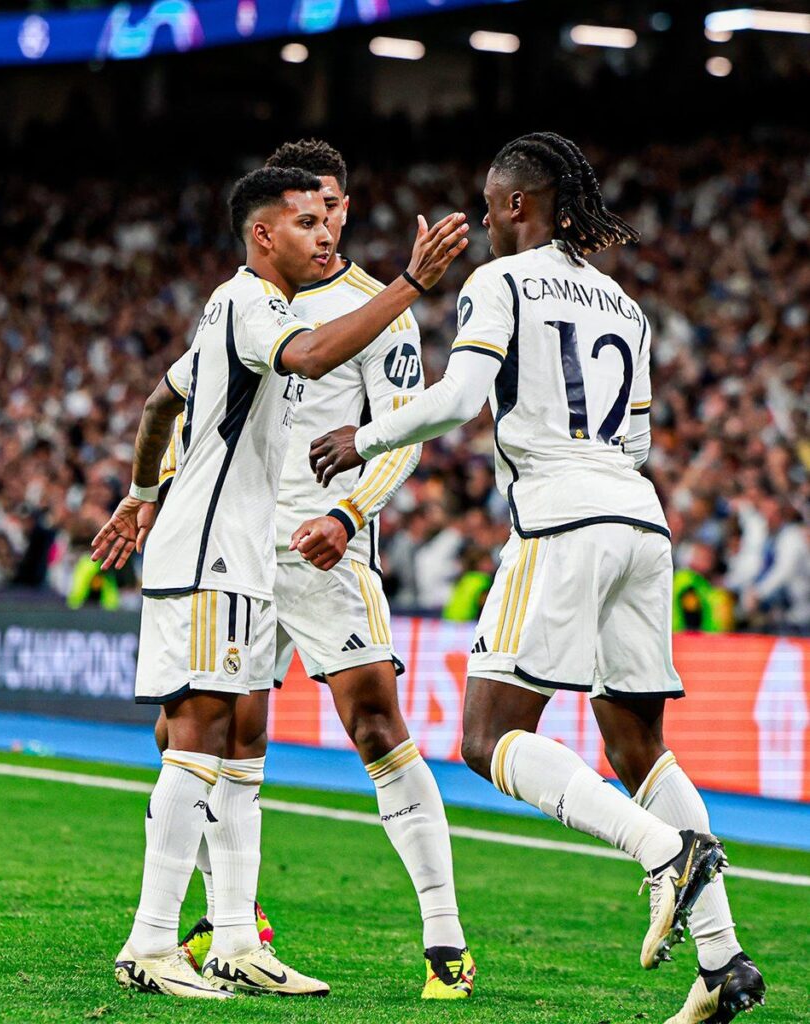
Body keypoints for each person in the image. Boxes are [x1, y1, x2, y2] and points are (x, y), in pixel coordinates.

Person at [306, 132, 765, 1024]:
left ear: (521, 204)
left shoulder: (500, 280)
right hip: (640, 519)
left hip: (561, 518)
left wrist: (363, 438)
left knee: (487, 737)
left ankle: (660, 852)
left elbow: (460, 398)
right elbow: (632, 441)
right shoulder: (623, 305)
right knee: (637, 745)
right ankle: (722, 961)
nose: (481, 219)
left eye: (488, 203)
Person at [91, 165, 468, 1000]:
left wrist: (144, 491)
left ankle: (240, 940)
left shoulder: (313, 305)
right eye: (308, 215)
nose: (326, 228)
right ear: (270, 231)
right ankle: (155, 942)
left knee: (259, 735)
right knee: (200, 739)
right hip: (223, 547)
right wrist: (413, 282)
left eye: (331, 210)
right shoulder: (259, 306)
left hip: (300, 550)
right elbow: (300, 355)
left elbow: (163, 401)